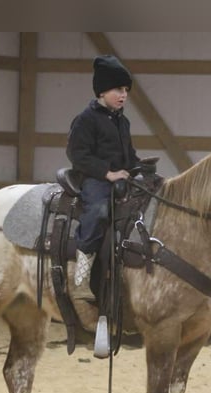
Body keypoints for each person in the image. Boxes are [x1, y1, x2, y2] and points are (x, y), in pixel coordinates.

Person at [66, 54, 140, 287]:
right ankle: (82, 274)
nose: (124, 95)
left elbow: (128, 155)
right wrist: (107, 173)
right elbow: (77, 154)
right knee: (98, 211)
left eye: (126, 90)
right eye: (118, 89)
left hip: (120, 178)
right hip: (94, 179)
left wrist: (140, 167)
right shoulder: (86, 120)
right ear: (102, 91)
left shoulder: (123, 122)